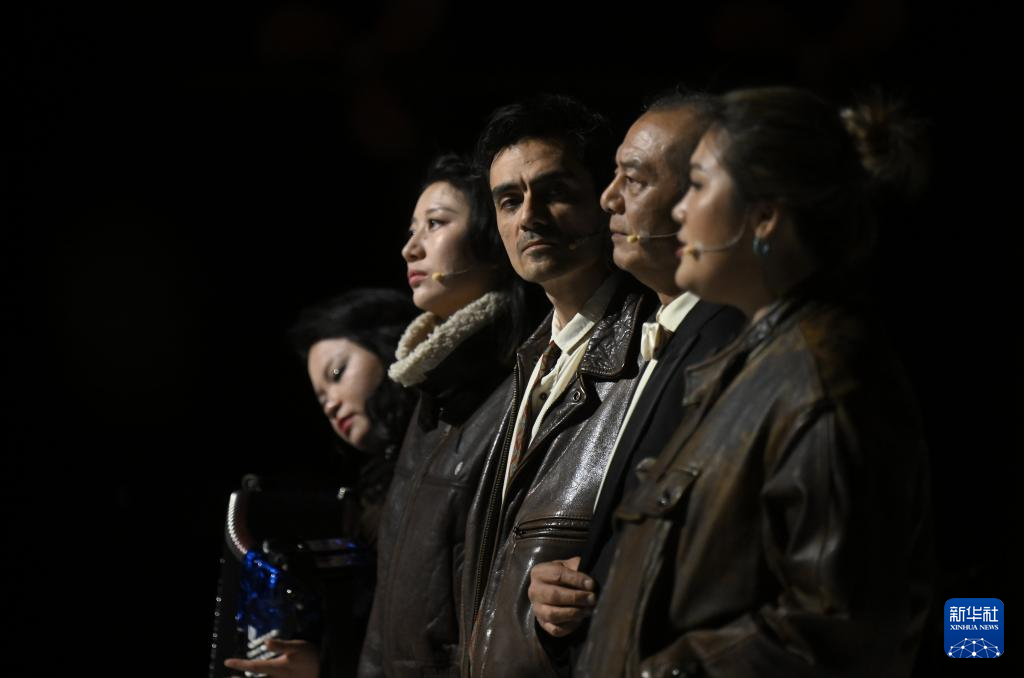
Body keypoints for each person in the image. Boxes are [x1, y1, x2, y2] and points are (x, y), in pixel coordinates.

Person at [576, 86, 933, 677]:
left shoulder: (821, 384)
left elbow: (834, 632)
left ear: (764, 217)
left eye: (697, 185)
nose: (681, 212)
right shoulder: (754, 367)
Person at [526, 91, 745, 647]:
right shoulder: (667, 335)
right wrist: (577, 581)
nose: (609, 199)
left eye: (635, 179)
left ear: (705, 193)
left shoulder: (729, 346)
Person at [459, 94, 657, 677]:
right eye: (509, 200)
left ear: (605, 199)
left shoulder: (654, 351)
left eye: (555, 191)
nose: (530, 216)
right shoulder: (529, 364)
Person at [357, 153, 542, 677]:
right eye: (412, 229)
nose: (411, 248)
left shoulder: (520, 388)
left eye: (436, 224)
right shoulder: (429, 391)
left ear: (494, 240)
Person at [223, 288, 418, 678]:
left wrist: (329, 668)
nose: (329, 404)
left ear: (388, 346)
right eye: (321, 397)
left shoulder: (439, 446)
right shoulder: (375, 489)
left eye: (337, 373)